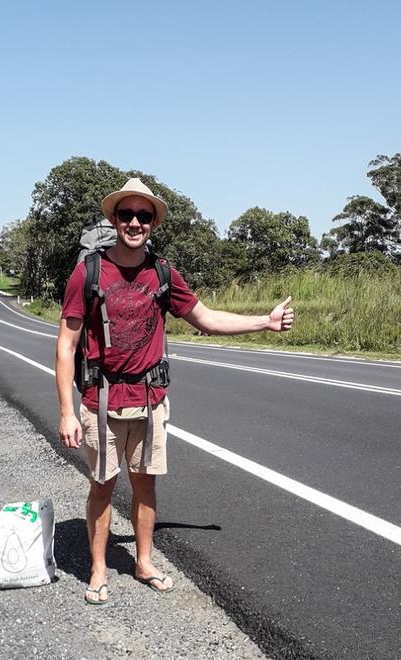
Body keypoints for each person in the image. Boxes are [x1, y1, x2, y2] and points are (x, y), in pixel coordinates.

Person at [56, 177, 294, 605]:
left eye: (143, 216)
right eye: (126, 215)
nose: (134, 222)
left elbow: (206, 318)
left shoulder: (163, 272)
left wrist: (265, 321)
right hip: (101, 401)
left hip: (149, 402)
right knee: (103, 486)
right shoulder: (88, 272)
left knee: (146, 486)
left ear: (153, 223)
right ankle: (97, 569)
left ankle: (143, 561)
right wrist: (67, 411)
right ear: (114, 219)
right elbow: (66, 343)